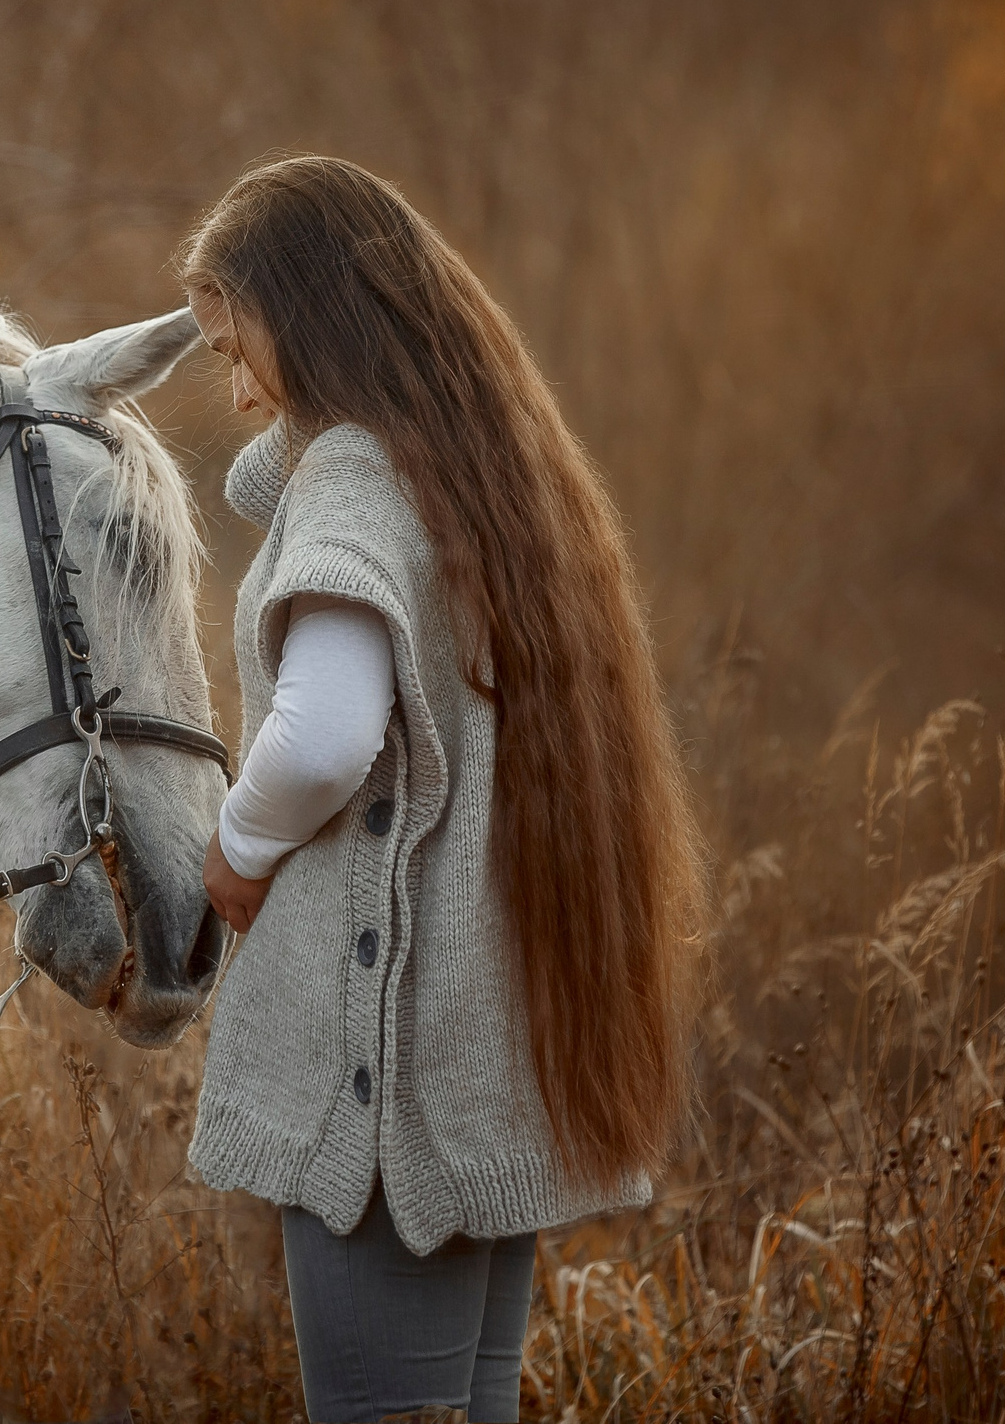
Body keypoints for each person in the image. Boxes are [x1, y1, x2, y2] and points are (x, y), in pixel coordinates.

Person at [179, 157, 704, 1423]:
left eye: (238, 350)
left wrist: (236, 847)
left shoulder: (355, 479)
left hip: (386, 1096)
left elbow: (322, 740)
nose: (238, 392)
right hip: (472, 1067)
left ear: (306, 316)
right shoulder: (479, 470)